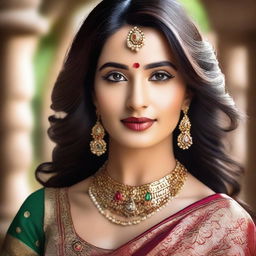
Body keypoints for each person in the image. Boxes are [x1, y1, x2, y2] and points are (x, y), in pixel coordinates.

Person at [1, 0, 256, 255]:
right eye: (115, 77)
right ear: (92, 94)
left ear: (187, 94)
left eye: (159, 76)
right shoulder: (44, 214)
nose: (136, 101)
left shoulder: (224, 226)